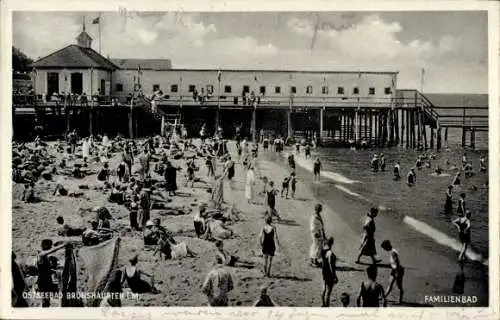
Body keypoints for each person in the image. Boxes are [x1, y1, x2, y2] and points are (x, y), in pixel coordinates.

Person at [37, 239, 67, 307]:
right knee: (45, 300)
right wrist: (62, 246)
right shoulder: (41, 255)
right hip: (43, 281)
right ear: (45, 245)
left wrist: (55, 271)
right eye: (50, 246)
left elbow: (45, 269)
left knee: (48, 299)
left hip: (48, 279)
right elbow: (51, 251)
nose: (51, 247)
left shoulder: (45, 256)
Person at [321, 237, 338, 307]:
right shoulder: (330, 253)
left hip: (324, 272)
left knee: (324, 288)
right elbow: (331, 265)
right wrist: (334, 276)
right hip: (329, 273)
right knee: (328, 291)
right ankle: (326, 306)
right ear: (332, 243)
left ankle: (323, 303)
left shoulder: (323, 250)